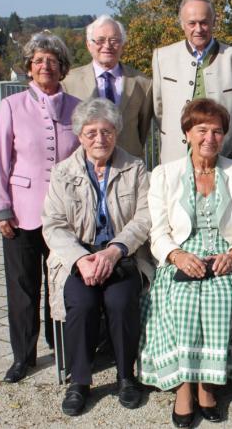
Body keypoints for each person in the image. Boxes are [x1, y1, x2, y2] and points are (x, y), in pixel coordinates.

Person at [138, 98, 232, 428]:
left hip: (227, 253)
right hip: (181, 253)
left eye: (217, 131)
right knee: (180, 300)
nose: (210, 138)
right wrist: (176, 256)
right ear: (187, 133)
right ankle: (185, 388)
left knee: (221, 298)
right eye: (201, 130)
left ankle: (207, 385)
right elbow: (158, 232)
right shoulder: (164, 174)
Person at [42, 97, 153, 416]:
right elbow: (53, 224)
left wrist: (115, 250)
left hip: (123, 255)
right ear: (79, 136)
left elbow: (143, 218)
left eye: (106, 131)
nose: (99, 139)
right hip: (79, 259)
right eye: (91, 133)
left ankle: (126, 377)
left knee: (120, 302)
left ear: (116, 132)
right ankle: (80, 381)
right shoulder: (63, 172)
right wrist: (80, 259)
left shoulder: (134, 167)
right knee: (83, 303)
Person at [0, 31, 80, 384]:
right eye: (38, 60)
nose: (45, 66)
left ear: (63, 68)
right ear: (29, 67)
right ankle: (22, 357)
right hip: (21, 213)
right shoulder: (12, 106)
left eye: (52, 61)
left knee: (61, 284)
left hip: (65, 216)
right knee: (23, 288)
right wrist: (0, 209)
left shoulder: (76, 107)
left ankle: (63, 350)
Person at [152, 0, 232, 163]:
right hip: (175, 159)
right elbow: (159, 110)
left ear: (214, 22)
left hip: (226, 158)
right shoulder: (162, 57)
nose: (198, 29)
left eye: (204, 22)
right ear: (182, 25)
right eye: (192, 23)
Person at [62, 15, 153, 158]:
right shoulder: (68, 82)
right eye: (100, 40)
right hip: (85, 168)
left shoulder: (143, 83)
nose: (107, 46)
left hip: (128, 166)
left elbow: (143, 129)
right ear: (88, 44)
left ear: (122, 44)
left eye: (114, 40)